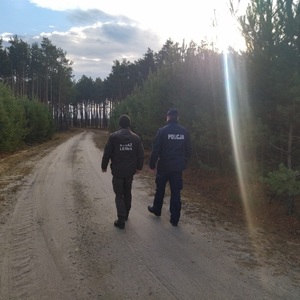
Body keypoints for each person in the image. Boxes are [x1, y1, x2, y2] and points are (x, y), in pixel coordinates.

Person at [148, 109, 192, 226]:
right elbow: (189, 151)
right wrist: (184, 161)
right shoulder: (184, 132)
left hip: (164, 166)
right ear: (177, 118)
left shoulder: (162, 131)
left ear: (168, 117)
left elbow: (156, 149)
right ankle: (175, 218)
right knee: (176, 192)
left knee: (160, 190)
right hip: (177, 168)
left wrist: (152, 165)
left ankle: (157, 210)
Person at [101, 114, 144, 229]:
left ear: (119, 124)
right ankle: (126, 215)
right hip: (129, 172)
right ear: (129, 124)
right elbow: (140, 154)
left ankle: (121, 219)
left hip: (118, 171)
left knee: (119, 195)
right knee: (127, 192)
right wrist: (139, 167)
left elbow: (107, 153)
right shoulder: (136, 138)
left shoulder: (113, 137)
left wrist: (103, 166)